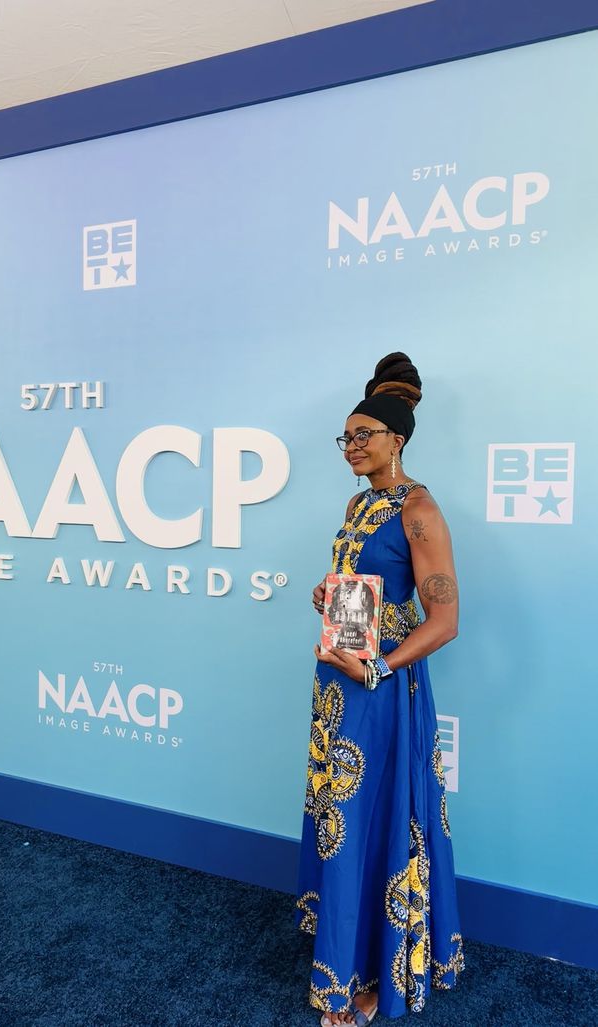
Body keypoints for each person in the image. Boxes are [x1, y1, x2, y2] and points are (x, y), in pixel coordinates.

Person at [295, 353, 465, 1025]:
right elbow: (365, 586)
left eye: (363, 433)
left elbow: (445, 618)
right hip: (338, 684)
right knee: (344, 823)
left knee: (378, 822)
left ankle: (375, 982)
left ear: (397, 436)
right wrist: (328, 595)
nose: (353, 447)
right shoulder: (358, 503)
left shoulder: (419, 510)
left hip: (384, 693)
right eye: (346, 437)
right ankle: (346, 952)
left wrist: (381, 667)